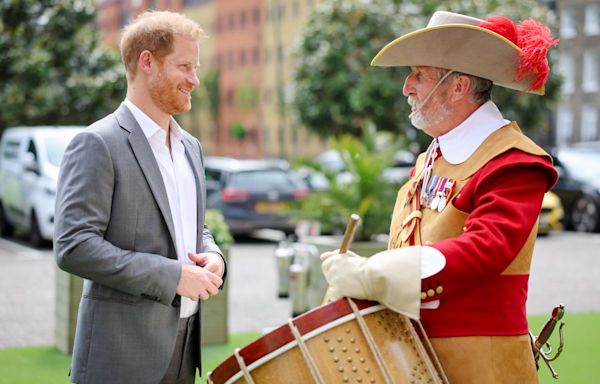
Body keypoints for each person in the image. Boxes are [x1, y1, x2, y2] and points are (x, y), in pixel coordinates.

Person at [321, 11, 559, 383]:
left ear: (458, 86)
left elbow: (487, 248)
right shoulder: (430, 158)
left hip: (483, 369)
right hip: (413, 363)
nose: (406, 86)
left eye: (418, 73)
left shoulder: (515, 161)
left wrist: (375, 274)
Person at [54, 11, 225, 384]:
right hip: (119, 359)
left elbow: (193, 227)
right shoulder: (98, 143)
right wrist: (172, 276)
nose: (194, 80)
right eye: (184, 66)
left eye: (195, 68)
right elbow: (74, 246)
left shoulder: (190, 147)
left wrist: (212, 255)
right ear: (147, 62)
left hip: (184, 353)